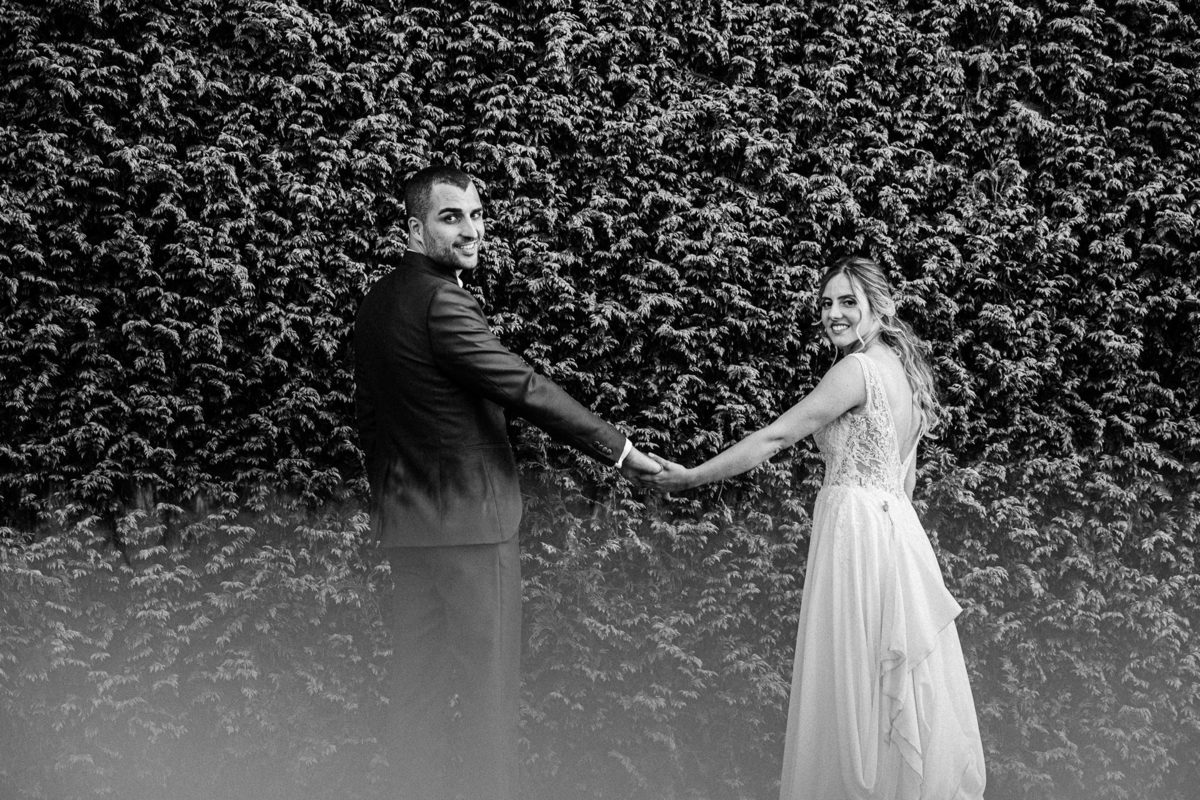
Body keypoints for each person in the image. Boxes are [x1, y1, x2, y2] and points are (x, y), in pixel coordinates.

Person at [353, 164, 662, 800]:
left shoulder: (378, 301)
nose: (471, 230)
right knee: (488, 699)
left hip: (407, 529)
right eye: (451, 217)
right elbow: (521, 386)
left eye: (476, 215)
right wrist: (620, 450)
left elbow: (373, 420)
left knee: (415, 698)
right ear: (414, 231)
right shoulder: (441, 301)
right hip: (473, 529)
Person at [639, 256, 986, 799]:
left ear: (878, 307)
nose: (833, 314)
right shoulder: (905, 374)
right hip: (896, 537)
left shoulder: (856, 370)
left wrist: (691, 477)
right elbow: (906, 482)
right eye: (826, 303)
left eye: (848, 302)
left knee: (850, 683)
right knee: (883, 687)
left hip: (857, 538)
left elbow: (776, 437)